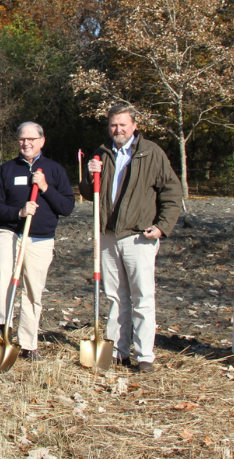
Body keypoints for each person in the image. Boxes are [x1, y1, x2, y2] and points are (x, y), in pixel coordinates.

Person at [80, 104, 181, 373]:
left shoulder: (151, 153)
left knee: (142, 297)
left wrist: (163, 226)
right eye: (114, 125)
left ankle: (144, 355)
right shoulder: (102, 153)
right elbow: (90, 194)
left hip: (139, 236)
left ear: (135, 125)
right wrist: (90, 175)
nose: (118, 130)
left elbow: (171, 192)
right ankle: (116, 352)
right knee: (115, 297)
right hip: (108, 236)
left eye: (123, 124)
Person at [0, 122, 75, 362]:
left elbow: (67, 207)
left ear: (42, 141)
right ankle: (3, 329)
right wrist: (19, 212)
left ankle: (28, 343)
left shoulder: (54, 170)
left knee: (33, 289)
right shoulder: (7, 169)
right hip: (11, 233)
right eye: (22, 139)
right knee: (4, 275)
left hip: (41, 238)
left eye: (31, 139)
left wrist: (45, 187)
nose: (26, 143)